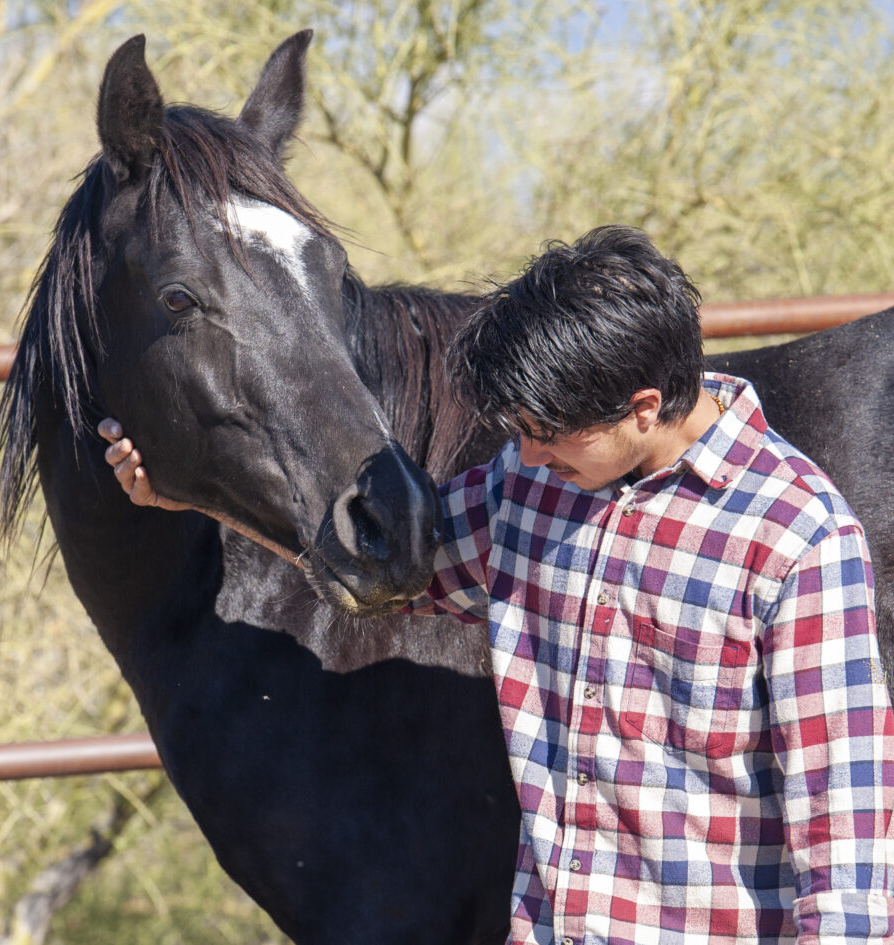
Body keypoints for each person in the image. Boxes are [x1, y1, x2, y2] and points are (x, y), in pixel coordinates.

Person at [100, 225, 894, 944]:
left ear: (644, 408)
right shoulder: (528, 485)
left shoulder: (798, 541)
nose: (530, 454)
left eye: (550, 436)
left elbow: (845, 828)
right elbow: (394, 567)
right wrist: (189, 497)